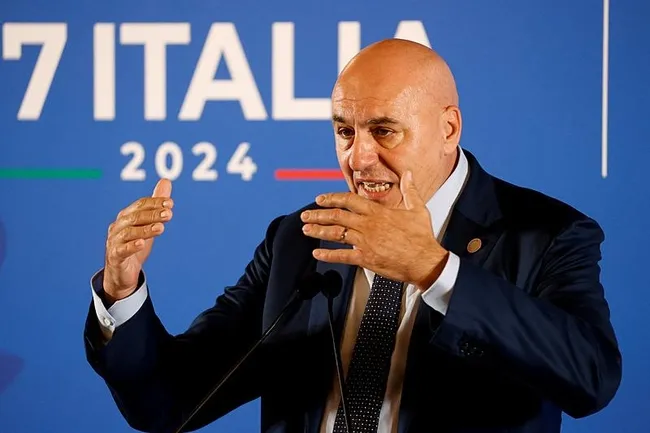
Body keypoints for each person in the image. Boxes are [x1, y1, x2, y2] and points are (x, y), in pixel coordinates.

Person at [83, 39, 622, 433]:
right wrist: (121, 292)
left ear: (448, 128)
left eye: (384, 131)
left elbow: (591, 377)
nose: (359, 158)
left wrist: (435, 271)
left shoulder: (544, 233)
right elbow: (170, 402)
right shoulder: (299, 239)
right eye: (345, 131)